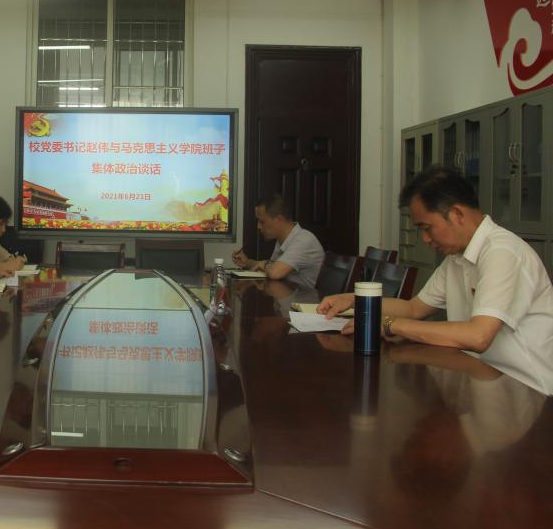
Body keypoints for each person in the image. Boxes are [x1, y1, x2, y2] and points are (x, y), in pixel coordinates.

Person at [320, 166, 553, 395]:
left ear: (457, 214)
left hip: (526, 391)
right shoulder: (457, 257)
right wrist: (355, 300)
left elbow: (478, 336)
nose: (424, 238)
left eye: (427, 228)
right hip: (479, 378)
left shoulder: (502, 252)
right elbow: (414, 308)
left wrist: (389, 324)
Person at [232, 193, 325, 290]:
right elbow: (269, 266)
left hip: (304, 298)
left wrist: (266, 264)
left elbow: (274, 272)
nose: (258, 226)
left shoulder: (304, 240)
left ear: (279, 219)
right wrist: (247, 262)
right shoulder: (282, 240)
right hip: (287, 295)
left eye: (262, 221)